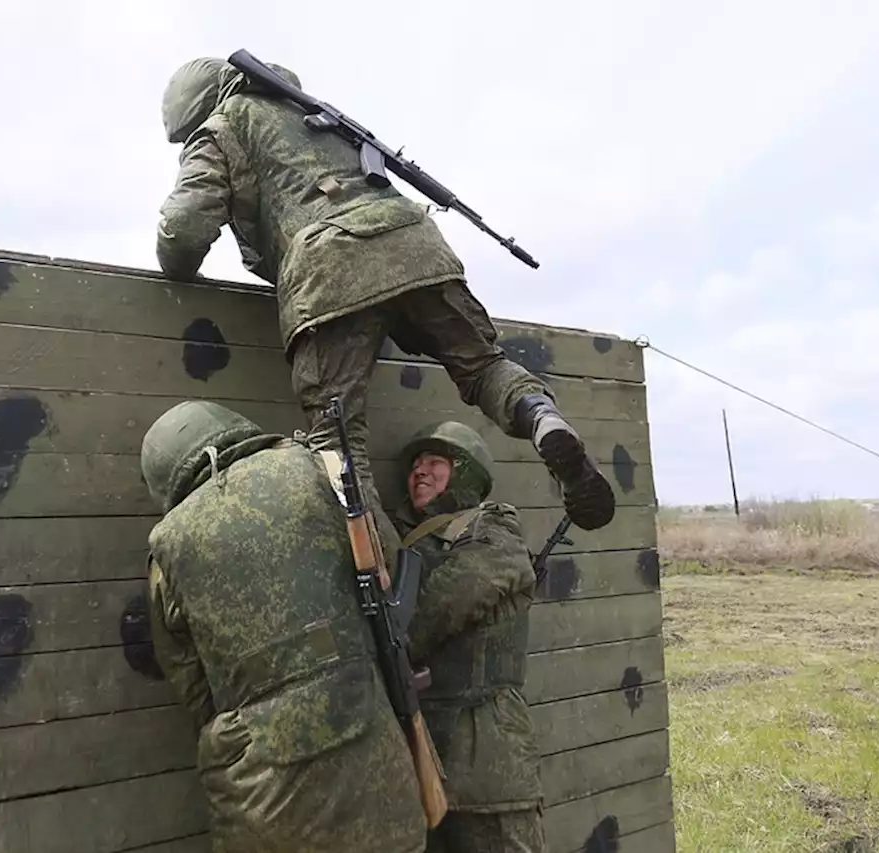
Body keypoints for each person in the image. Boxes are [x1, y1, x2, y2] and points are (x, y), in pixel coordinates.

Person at [153, 55, 615, 570]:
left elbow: (184, 229)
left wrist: (175, 266)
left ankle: (387, 583)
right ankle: (543, 419)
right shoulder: (319, 116)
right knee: (484, 367)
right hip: (418, 249)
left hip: (333, 267)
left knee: (338, 445)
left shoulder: (222, 126)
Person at [139, 399, 429, 853]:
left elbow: (193, 687)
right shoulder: (319, 470)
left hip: (261, 799)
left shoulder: (167, 549)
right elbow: (385, 563)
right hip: (376, 769)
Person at [389, 420, 547, 853]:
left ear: (465, 471)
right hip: (425, 762)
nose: (420, 471)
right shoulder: (411, 543)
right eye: (415, 466)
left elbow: (439, 608)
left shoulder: (493, 529)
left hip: (488, 760)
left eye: (435, 462)